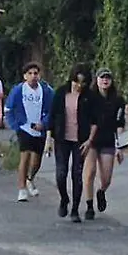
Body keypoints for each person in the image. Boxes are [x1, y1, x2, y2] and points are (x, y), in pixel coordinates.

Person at [46, 65, 98, 222]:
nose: (79, 85)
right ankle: (64, 199)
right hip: (62, 138)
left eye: (83, 83)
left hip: (80, 141)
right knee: (61, 173)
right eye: (77, 82)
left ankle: (75, 209)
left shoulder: (89, 96)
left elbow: (95, 121)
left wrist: (89, 140)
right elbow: (52, 116)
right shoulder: (61, 92)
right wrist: (49, 139)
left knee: (77, 174)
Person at [81, 68, 127, 219]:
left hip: (108, 140)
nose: (105, 80)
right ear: (97, 80)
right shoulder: (89, 98)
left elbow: (120, 124)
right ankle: (89, 205)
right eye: (102, 78)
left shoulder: (118, 100)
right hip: (91, 140)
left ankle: (101, 191)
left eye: (108, 78)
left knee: (106, 178)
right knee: (89, 172)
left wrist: (119, 146)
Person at [6, 62, 54, 202]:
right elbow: (9, 110)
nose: (33, 76)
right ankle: (21, 189)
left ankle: (30, 178)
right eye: (30, 73)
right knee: (25, 157)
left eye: (36, 73)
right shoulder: (18, 90)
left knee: (36, 161)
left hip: (40, 130)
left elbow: (52, 111)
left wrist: (44, 124)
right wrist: (16, 126)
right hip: (24, 128)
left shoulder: (46, 91)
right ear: (25, 76)